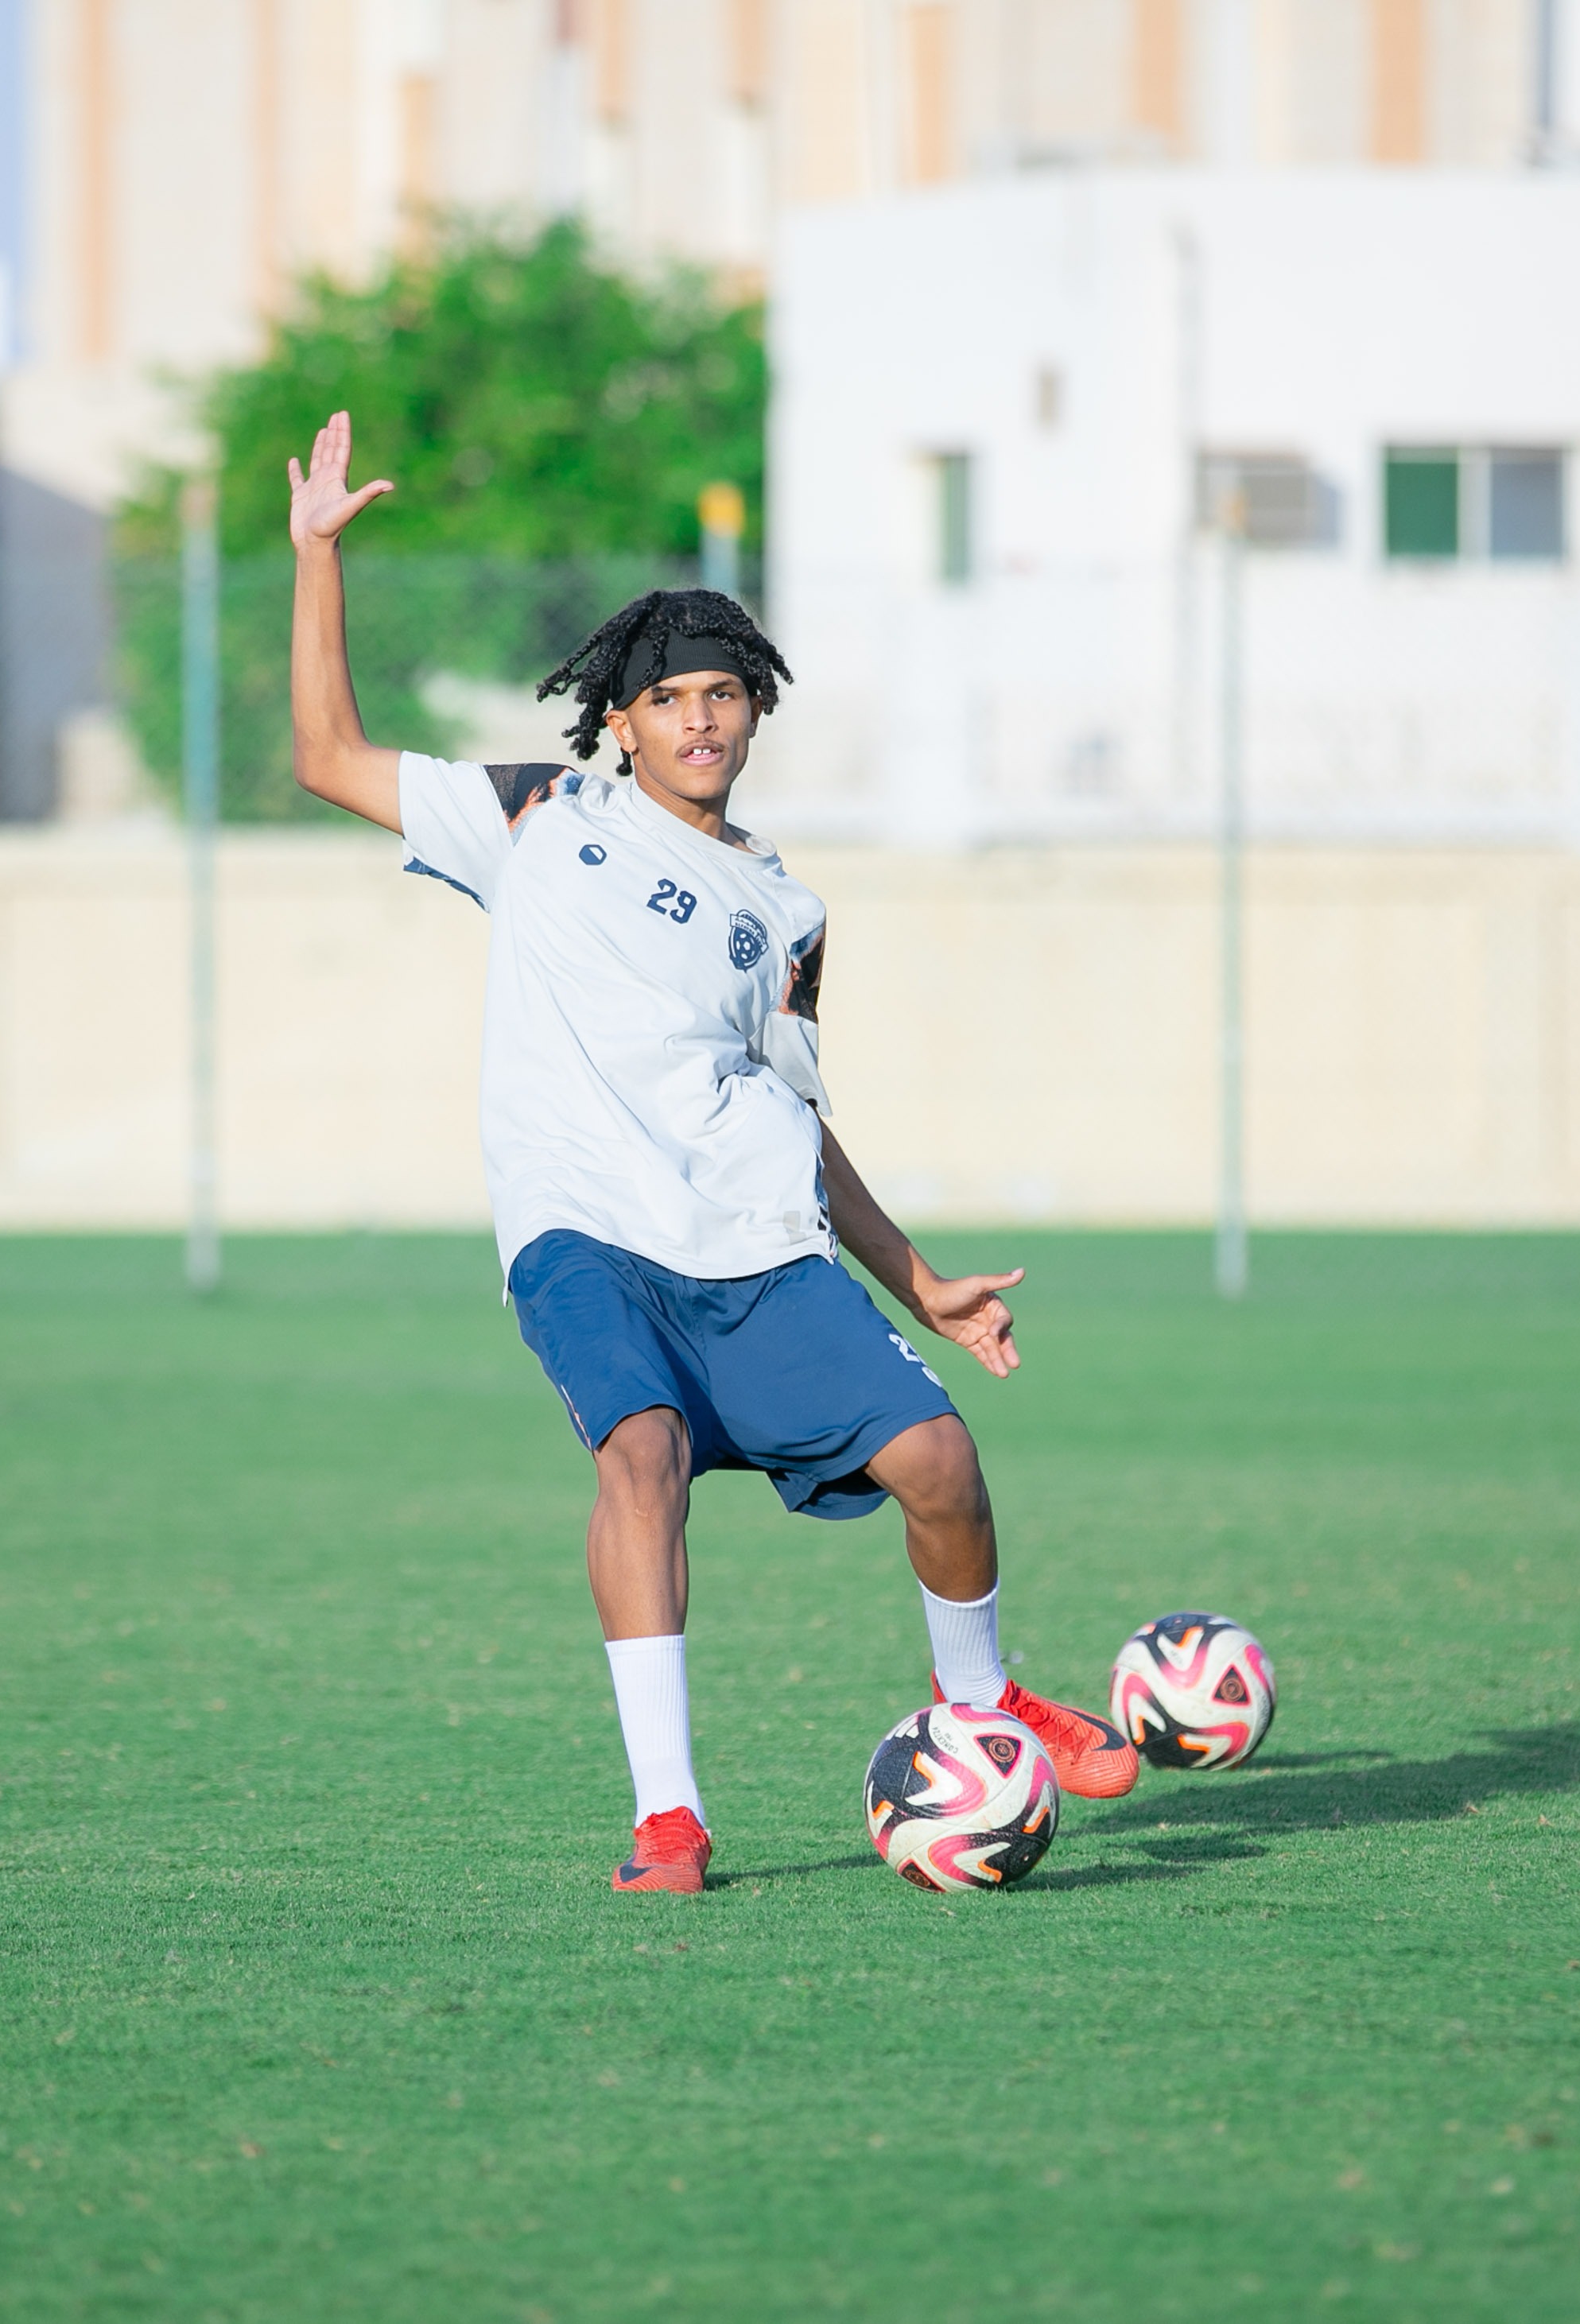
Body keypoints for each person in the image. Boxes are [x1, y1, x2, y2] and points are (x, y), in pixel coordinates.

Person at [286, 411, 1137, 1893]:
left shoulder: (787, 912)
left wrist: (919, 1277)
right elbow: (325, 753)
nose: (698, 718)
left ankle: (983, 1704)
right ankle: (669, 1818)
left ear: (755, 715)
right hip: (586, 1228)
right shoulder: (542, 816)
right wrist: (316, 556)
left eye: (723, 694)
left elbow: (796, 1110)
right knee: (646, 1452)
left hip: (752, 1238)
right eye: (668, 695)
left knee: (940, 1458)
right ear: (617, 719)